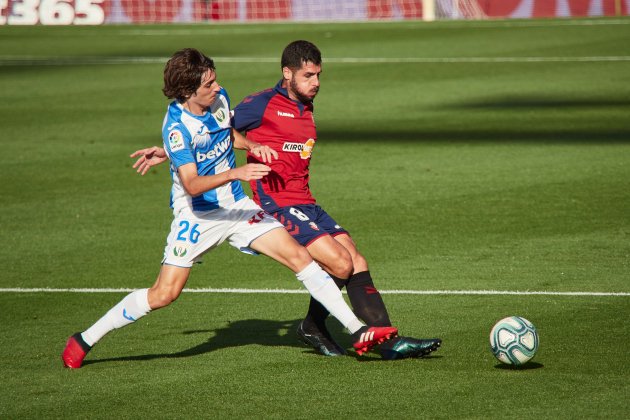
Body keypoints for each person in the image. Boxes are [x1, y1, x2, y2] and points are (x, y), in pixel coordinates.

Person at [61, 48, 397, 369]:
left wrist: (252, 144)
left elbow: (228, 134)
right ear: (188, 90)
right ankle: (85, 339)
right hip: (198, 215)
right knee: (164, 294)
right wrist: (233, 171)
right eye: (209, 84)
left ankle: (356, 329)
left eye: (215, 80)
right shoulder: (177, 129)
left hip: (237, 207)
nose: (218, 87)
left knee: (300, 257)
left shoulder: (219, 101)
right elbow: (191, 184)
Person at [130, 41, 441, 360]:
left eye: (319, 75)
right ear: (287, 73)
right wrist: (167, 151)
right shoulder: (261, 104)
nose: (316, 82)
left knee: (356, 261)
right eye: (308, 76)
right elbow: (214, 130)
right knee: (339, 262)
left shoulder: (306, 105)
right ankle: (381, 344)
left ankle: (343, 331)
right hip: (275, 204)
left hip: (306, 201)